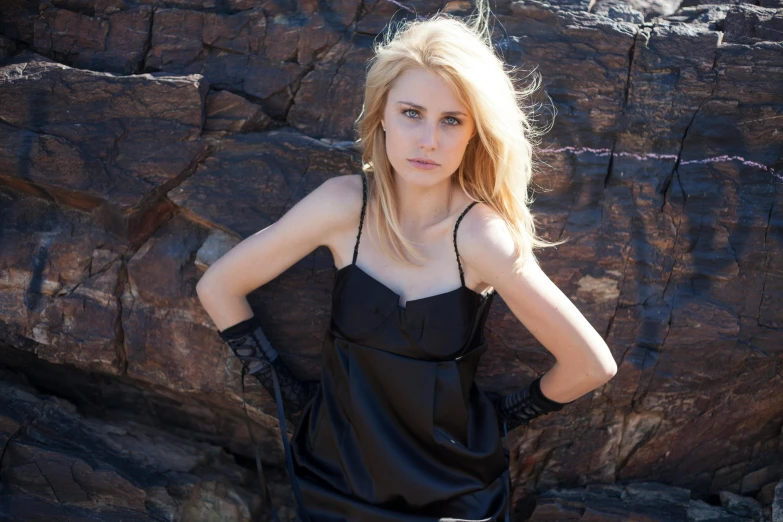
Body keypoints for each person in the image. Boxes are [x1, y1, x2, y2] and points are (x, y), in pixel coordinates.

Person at [196, 1, 618, 520]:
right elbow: (218, 287)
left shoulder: (481, 237)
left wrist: (497, 420)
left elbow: (591, 365)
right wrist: (292, 396)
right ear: (382, 114)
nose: (428, 140)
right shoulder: (344, 205)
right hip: (334, 478)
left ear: (474, 133)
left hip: (451, 492)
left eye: (451, 121)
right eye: (411, 113)